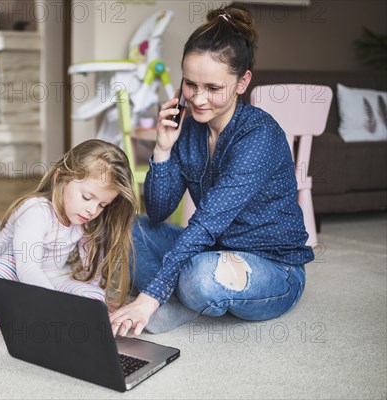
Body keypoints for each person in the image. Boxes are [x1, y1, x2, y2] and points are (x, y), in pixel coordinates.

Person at [109, 5, 315, 336]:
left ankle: (168, 298)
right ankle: (176, 299)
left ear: (242, 82)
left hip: (274, 266)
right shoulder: (188, 129)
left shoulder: (259, 136)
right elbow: (160, 212)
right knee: (126, 227)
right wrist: (162, 149)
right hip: (212, 250)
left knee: (198, 277)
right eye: (190, 84)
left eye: (213, 88)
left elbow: (206, 224)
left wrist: (150, 296)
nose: (199, 99)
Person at [0, 139, 137, 348]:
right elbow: (27, 267)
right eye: (87, 197)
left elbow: (90, 272)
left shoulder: (83, 220)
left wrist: (98, 300)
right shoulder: (36, 210)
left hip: (42, 281)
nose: (92, 210)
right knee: (13, 258)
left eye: (102, 204)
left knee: (94, 298)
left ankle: (3, 315)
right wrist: (56, 305)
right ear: (60, 178)